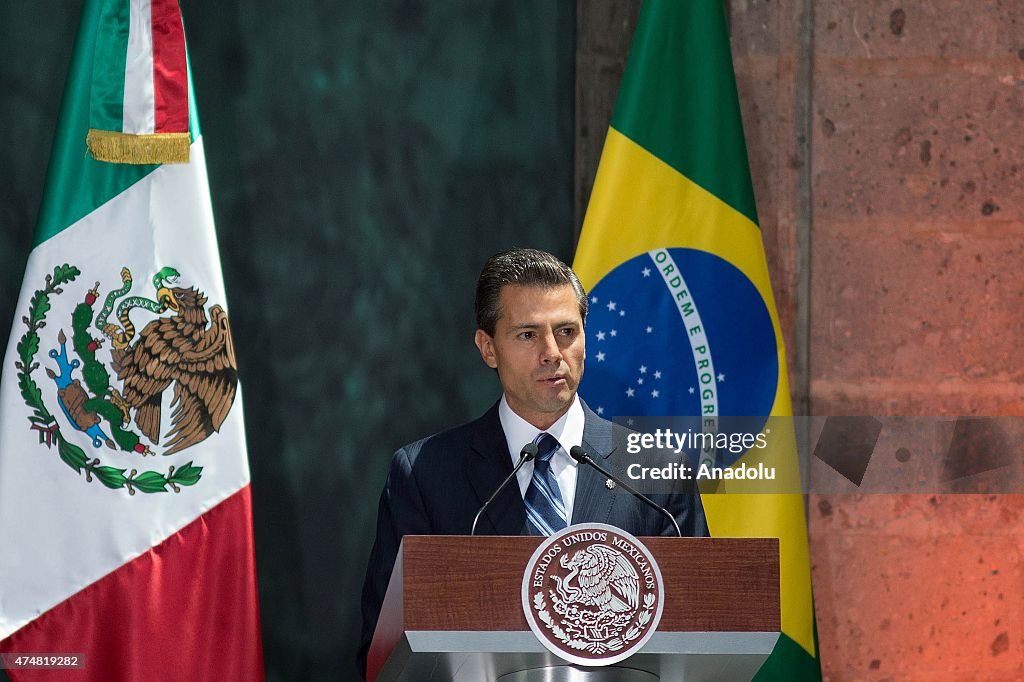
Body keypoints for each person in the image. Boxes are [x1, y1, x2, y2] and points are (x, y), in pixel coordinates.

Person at [358, 248, 708, 677]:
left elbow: (702, 632)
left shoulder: (656, 470)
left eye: (566, 331)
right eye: (527, 335)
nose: (551, 352)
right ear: (488, 348)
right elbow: (385, 651)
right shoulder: (426, 473)